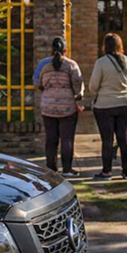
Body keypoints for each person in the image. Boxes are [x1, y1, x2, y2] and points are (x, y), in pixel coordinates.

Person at [88, 33, 127, 180]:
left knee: (107, 139)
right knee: (124, 138)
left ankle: (107, 171)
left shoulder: (101, 62)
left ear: (105, 46)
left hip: (105, 105)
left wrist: (102, 92)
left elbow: (93, 86)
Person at [38, 36, 84, 177]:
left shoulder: (45, 66)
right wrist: (78, 95)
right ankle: (67, 169)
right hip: (67, 108)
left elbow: (40, 84)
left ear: (52, 50)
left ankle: (51, 168)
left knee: (51, 139)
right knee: (67, 138)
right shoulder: (71, 65)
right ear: (66, 50)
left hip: (48, 107)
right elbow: (77, 84)